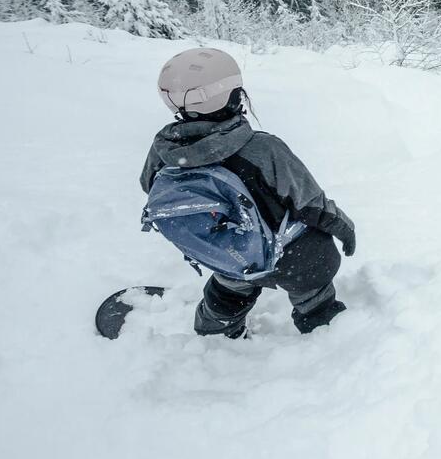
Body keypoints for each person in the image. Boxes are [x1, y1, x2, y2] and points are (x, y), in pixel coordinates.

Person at [142, 48, 355, 338]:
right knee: (312, 284)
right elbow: (311, 204)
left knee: (229, 290)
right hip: (293, 259)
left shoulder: (164, 150)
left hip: (232, 254)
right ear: (231, 96)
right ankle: (326, 332)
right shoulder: (263, 149)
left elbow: (150, 188)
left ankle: (215, 337)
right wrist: (345, 228)